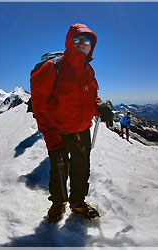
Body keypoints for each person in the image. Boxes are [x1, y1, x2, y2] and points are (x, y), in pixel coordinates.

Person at [30, 23, 101, 222]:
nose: (81, 45)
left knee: (81, 169)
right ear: (69, 42)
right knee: (59, 171)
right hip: (58, 132)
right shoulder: (52, 68)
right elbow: (40, 107)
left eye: (86, 41)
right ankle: (58, 203)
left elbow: (91, 96)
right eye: (76, 40)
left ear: (91, 46)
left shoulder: (88, 70)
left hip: (82, 131)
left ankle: (77, 202)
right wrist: (51, 137)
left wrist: (99, 106)